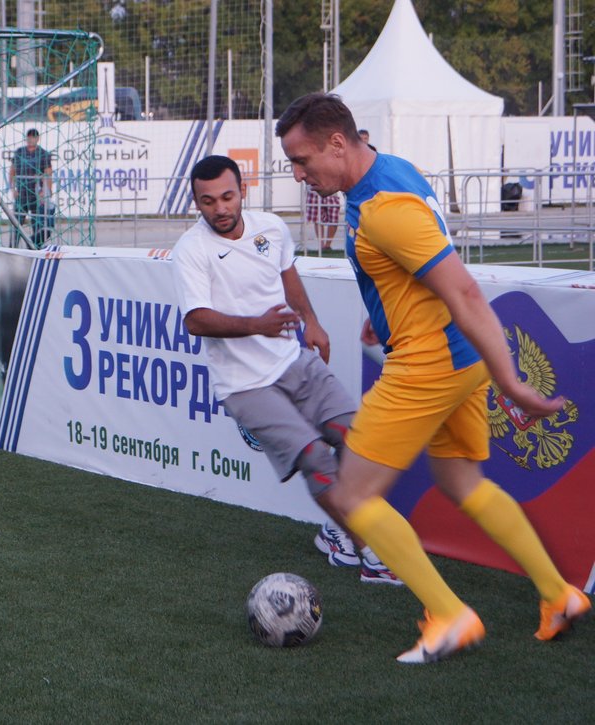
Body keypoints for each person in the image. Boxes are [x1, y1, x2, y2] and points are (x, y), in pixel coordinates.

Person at [277, 92, 589, 664]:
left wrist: (512, 381)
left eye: (302, 161)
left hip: (429, 363)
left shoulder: (383, 208)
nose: (299, 175)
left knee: (351, 495)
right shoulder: (387, 170)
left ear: (338, 143)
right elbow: (410, 266)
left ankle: (449, 615)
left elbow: (463, 288)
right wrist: (382, 314)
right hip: (456, 358)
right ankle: (559, 595)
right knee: (462, 481)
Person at [171, 155, 400, 587]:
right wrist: (258, 325)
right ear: (196, 203)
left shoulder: (271, 228)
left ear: (242, 191)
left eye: (227, 196)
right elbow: (196, 320)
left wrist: (312, 322)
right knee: (316, 458)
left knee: (358, 439)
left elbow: (288, 277)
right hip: (244, 386)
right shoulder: (191, 250)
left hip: (293, 361)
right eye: (208, 201)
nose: (220, 208)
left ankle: (336, 530)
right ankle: (372, 555)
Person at [9, 128, 53, 249]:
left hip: (37, 195)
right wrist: (13, 189)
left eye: (33, 137)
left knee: (37, 224)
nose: (31, 139)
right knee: (17, 223)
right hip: (22, 194)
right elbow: (12, 171)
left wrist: (46, 191)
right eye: (29, 137)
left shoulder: (43, 154)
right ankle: (12, 248)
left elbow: (48, 174)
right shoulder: (20, 152)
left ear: (37, 139)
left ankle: (34, 248)